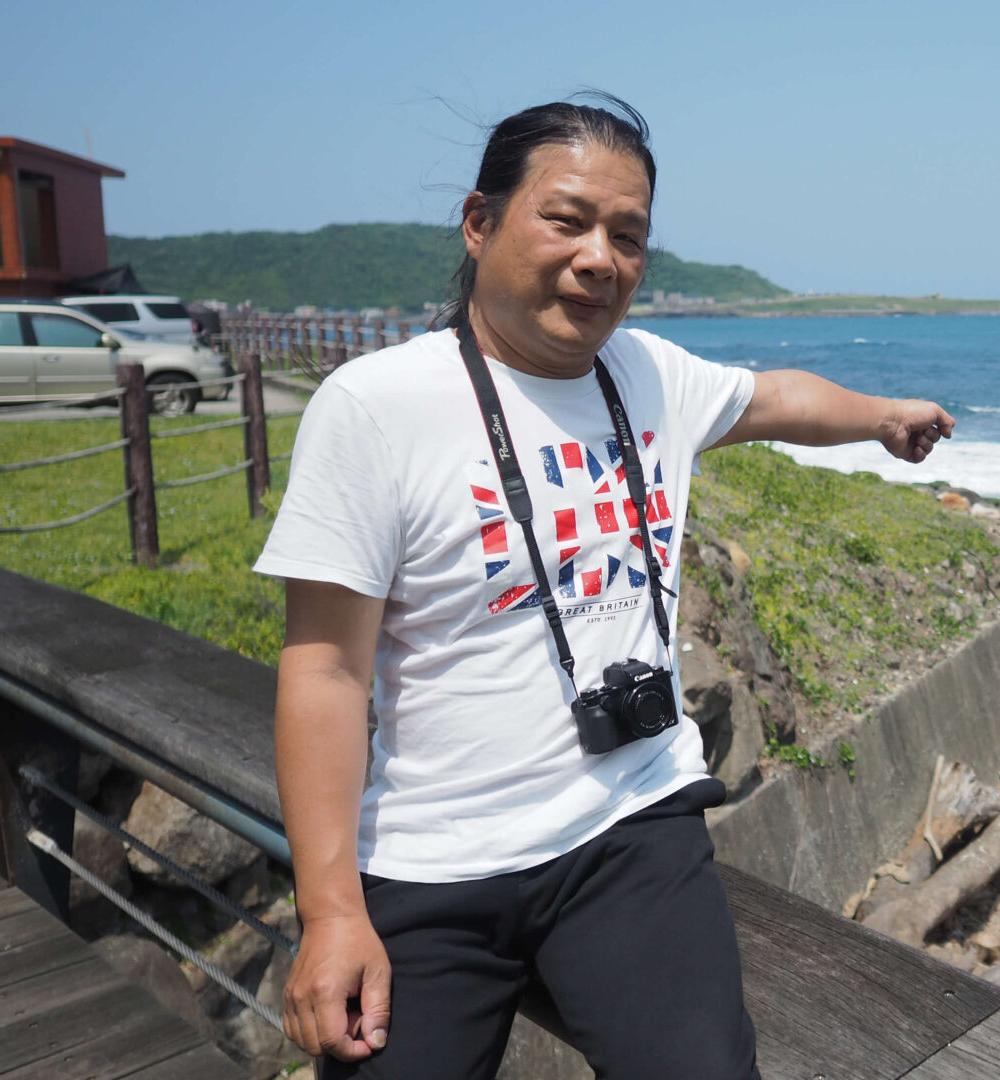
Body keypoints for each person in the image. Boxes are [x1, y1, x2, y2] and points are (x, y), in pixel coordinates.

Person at [255, 94, 954, 1080]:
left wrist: (883, 415)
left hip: (629, 827)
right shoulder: (377, 409)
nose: (601, 258)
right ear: (479, 221)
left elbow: (777, 397)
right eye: (568, 220)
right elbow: (324, 669)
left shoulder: (647, 373)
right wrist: (330, 916)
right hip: (434, 857)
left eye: (628, 236)